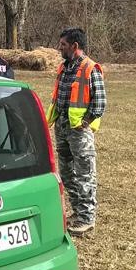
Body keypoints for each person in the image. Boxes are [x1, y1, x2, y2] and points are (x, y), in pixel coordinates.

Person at [47, 27, 107, 236]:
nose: (59, 48)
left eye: (63, 44)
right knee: (66, 172)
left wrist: (86, 122)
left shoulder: (91, 69)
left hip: (79, 131)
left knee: (85, 173)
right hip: (63, 127)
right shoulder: (64, 68)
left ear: (75, 46)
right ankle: (77, 211)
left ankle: (87, 217)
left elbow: (100, 103)